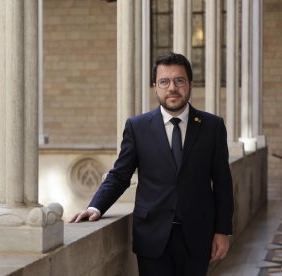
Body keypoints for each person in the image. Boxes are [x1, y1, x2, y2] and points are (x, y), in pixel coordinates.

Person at [70, 52, 234, 276]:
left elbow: (223, 182)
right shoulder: (138, 127)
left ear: (190, 85)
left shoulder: (212, 126)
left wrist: (222, 231)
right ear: (155, 86)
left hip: (198, 236)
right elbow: (120, 175)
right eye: (164, 81)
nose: (172, 88)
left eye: (179, 80)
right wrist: (95, 207)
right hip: (152, 238)